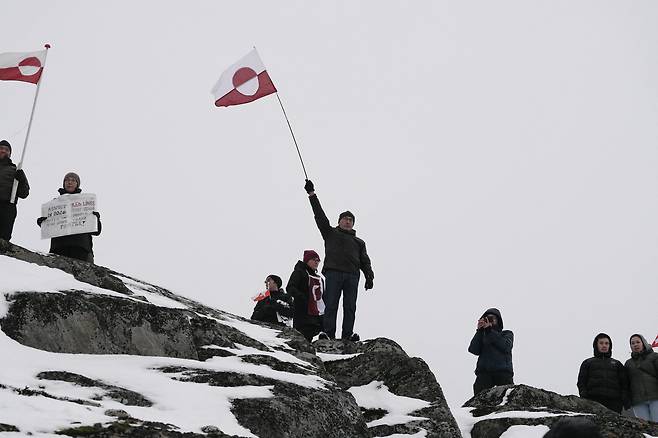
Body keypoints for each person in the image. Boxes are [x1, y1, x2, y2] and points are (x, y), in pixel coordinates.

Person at [303, 179, 374, 342]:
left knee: (350, 307)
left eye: (351, 219)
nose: (348, 221)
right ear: (339, 221)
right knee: (330, 304)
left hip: (352, 275)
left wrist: (369, 276)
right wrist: (312, 194)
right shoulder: (330, 233)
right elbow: (319, 216)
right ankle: (328, 333)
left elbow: (365, 261)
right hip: (333, 272)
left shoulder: (359, 242)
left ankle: (347, 334)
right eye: (345, 218)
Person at [37, 172, 101, 263]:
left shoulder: (86, 202)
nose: (69, 182)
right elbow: (52, 227)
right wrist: (43, 223)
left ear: (77, 184)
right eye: (67, 180)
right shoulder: (54, 204)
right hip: (59, 248)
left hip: (81, 248)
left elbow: (97, 231)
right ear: (64, 183)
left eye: (73, 180)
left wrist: (96, 219)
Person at [577, 333, 630, 414]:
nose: (604, 345)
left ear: (610, 346)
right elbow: (581, 382)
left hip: (614, 403)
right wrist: (584, 397)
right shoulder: (587, 363)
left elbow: (625, 384)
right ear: (596, 345)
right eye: (601, 343)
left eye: (606, 343)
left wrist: (624, 400)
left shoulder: (617, 364)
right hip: (593, 402)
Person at [468, 308, 514, 395]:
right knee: (479, 401)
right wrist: (479, 331)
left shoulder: (507, 333)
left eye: (492, 318)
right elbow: (473, 350)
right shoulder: (482, 336)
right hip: (484, 373)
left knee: (508, 398)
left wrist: (490, 331)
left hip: (503, 372)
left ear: (498, 321)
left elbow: (506, 346)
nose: (489, 320)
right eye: (486, 318)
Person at [287, 250, 325, 342]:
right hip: (302, 314)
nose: (316, 262)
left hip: (317, 316)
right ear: (307, 260)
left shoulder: (320, 279)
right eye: (314, 259)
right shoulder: (299, 272)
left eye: (318, 260)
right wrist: (302, 297)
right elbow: (290, 287)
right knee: (303, 339)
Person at [624, 333, 658, 422]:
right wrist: (627, 400)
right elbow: (626, 383)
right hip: (638, 402)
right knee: (645, 429)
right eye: (632, 343)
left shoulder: (654, 357)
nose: (635, 345)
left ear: (643, 343)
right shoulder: (628, 363)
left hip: (655, 398)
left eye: (638, 342)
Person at [0, 140, 29, 241]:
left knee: (3, 240)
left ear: (10, 153)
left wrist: (21, 179)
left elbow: (24, 193)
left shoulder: (16, 170)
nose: (3, 151)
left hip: (6, 206)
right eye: (1, 148)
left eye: (6, 149)